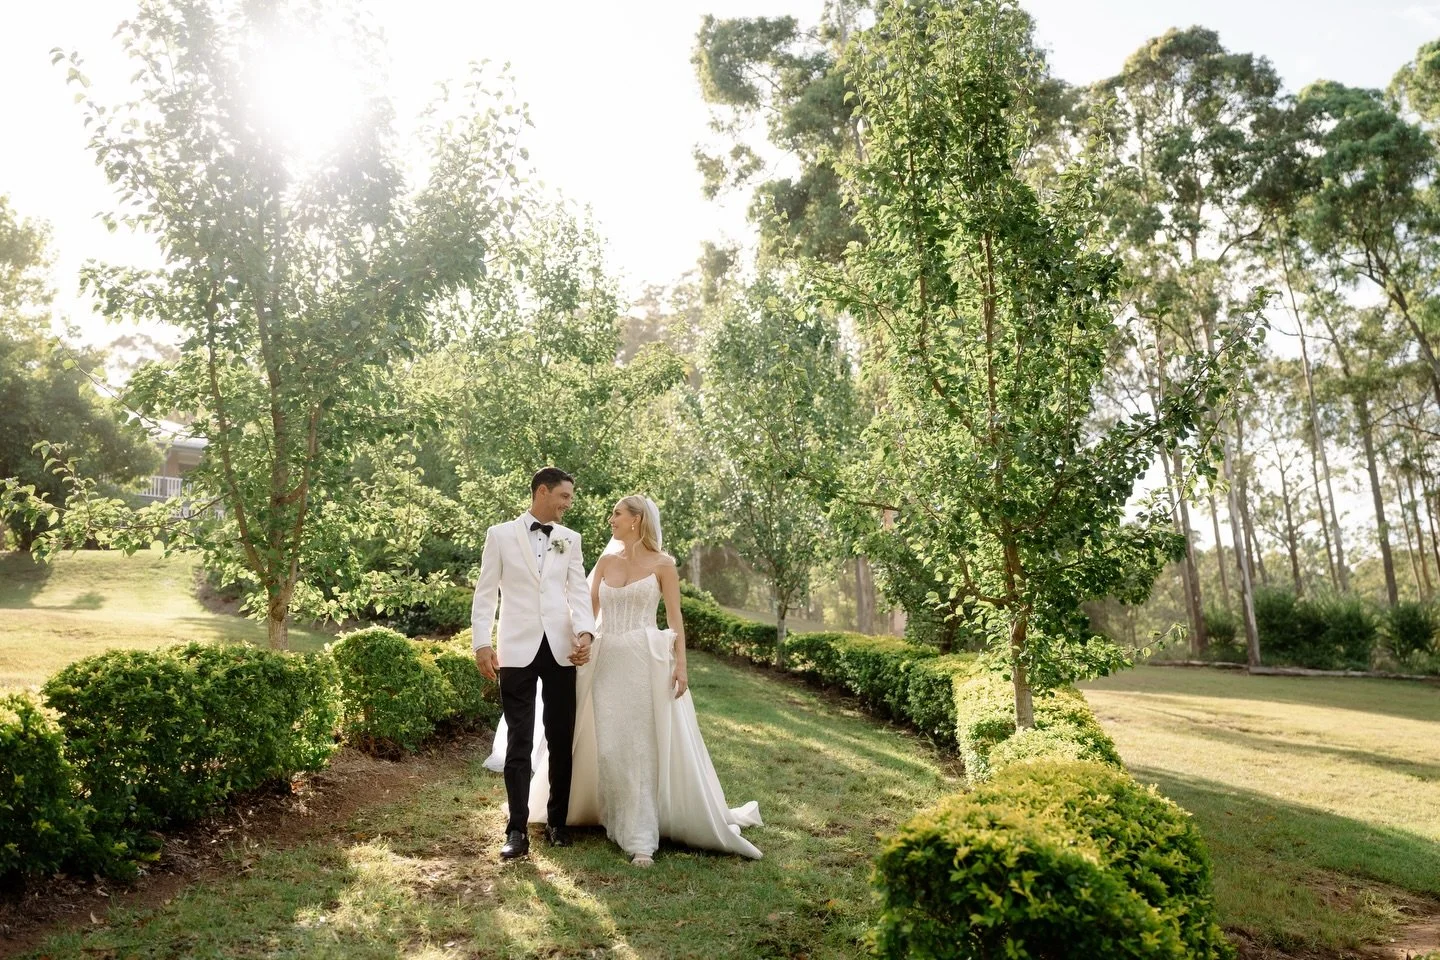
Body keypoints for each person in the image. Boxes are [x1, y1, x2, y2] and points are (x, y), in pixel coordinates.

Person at [486, 494, 762, 866]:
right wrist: (580, 640)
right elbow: (585, 610)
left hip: (644, 661)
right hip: (606, 661)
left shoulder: (664, 565)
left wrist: (681, 665)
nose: (610, 519)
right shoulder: (605, 562)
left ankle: (640, 836)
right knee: (609, 746)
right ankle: (601, 811)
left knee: (638, 746)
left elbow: (675, 619)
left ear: (636, 519)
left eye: (616, 513)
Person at [471, 467, 595, 860]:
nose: (568, 504)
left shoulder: (570, 539)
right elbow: (485, 593)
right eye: (564, 496)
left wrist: (586, 633)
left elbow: (579, 591)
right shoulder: (499, 535)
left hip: (561, 649)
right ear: (543, 491)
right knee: (519, 741)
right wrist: (481, 643)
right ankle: (516, 830)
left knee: (561, 739)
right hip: (516, 649)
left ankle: (557, 824)